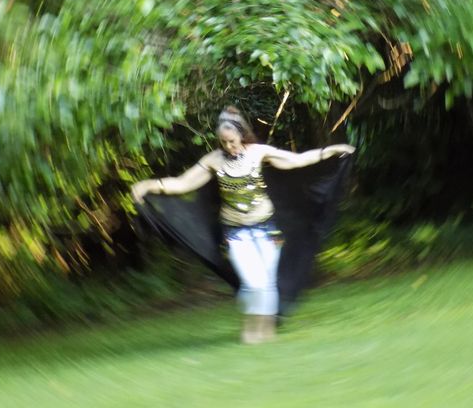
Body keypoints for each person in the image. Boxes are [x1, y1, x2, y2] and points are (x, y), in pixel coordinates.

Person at [131, 106, 354, 344]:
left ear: (242, 135)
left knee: (267, 283)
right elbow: (183, 183)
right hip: (237, 233)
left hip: (267, 230)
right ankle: (250, 332)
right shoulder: (214, 161)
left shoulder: (258, 153)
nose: (229, 146)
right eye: (224, 142)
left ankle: (266, 334)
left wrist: (330, 151)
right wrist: (149, 185)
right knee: (254, 283)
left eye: (233, 141)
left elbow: (295, 160)